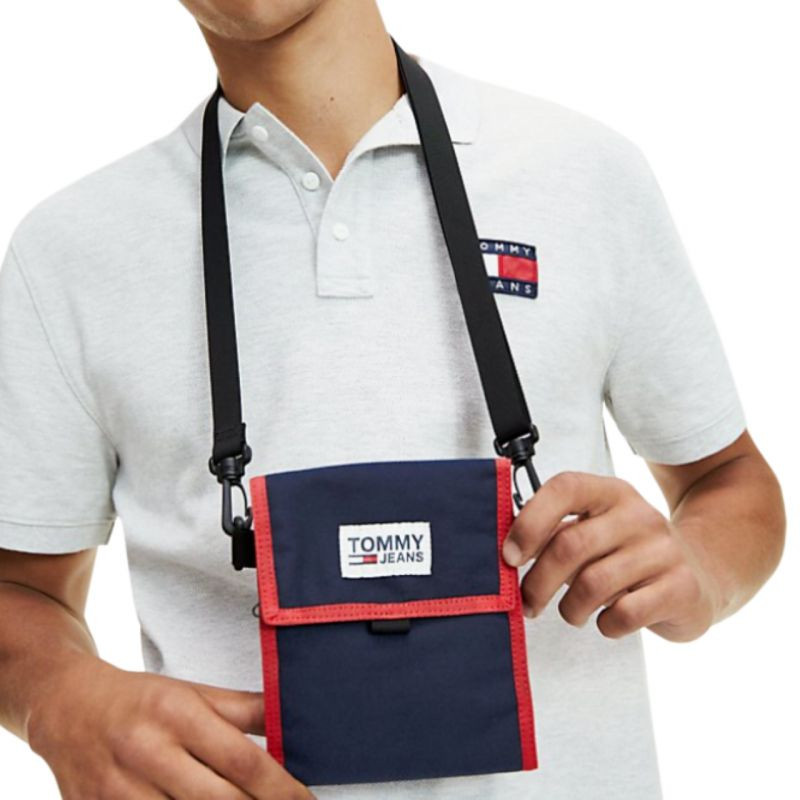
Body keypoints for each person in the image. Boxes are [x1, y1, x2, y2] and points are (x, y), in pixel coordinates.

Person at [0, 1, 785, 798]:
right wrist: (54, 697)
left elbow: (728, 480)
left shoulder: (582, 172)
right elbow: (18, 590)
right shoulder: (71, 250)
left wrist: (701, 567)